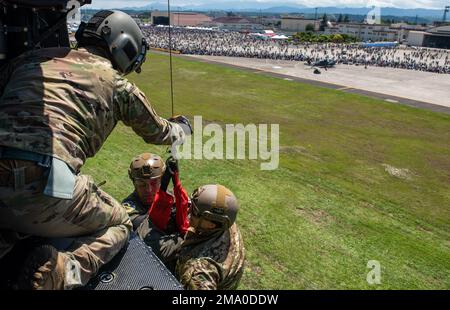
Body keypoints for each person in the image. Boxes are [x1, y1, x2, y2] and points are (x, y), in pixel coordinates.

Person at [0, 10, 190, 290]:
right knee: (121, 223)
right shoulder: (118, 85)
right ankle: (64, 272)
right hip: (41, 187)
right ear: (123, 44)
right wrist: (182, 128)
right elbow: (158, 131)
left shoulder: (29, 60)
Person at [122, 153, 189, 271]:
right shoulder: (129, 208)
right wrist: (186, 238)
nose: (148, 190)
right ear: (133, 182)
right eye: (142, 184)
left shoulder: (173, 198)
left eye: (154, 183)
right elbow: (150, 238)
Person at [176, 185, 245, 290]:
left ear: (211, 225)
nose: (189, 211)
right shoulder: (226, 224)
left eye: (194, 212)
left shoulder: (198, 272)